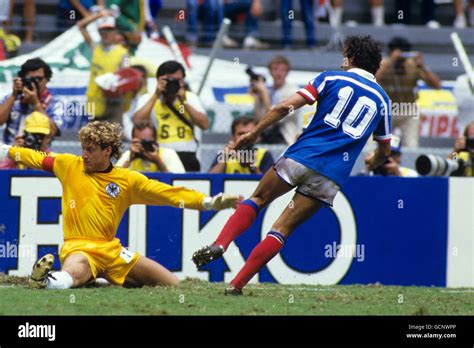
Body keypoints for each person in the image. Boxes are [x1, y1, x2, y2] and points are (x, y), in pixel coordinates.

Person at [192, 35, 392, 295]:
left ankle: (221, 243)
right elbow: (385, 149)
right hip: (331, 176)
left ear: (351, 57)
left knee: (258, 199)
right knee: (282, 229)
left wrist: (254, 133)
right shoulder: (383, 101)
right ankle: (236, 285)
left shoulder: (330, 78)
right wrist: (372, 159)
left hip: (301, 156)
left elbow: (286, 106)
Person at [0, 121, 241, 289]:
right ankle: (44, 281)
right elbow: (36, 158)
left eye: (90, 150)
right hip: (80, 248)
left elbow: (168, 194)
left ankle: (99, 278)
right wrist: (6, 150)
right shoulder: (68, 165)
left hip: (113, 252)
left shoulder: (127, 180)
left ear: (107, 151)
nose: (84, 154)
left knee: (171, 284)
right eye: (83, 148)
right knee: (70, 274)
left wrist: (209, 202)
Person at [133, 60, 209, 172]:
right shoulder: (148, 98)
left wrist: (184, 101)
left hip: (186, 154)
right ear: (159, 80)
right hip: (160, 153)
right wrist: (156, 95)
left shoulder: (190, 98)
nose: (172, 84)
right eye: (169, 80)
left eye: (177, 80)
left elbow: (204, 125)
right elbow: (137, 122)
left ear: (183, 81)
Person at [376, 37, 440, 148]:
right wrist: (391, 60)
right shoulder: (383, 64)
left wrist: (422, 66)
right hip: (385, 110)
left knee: (412, 145)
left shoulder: (413, 65)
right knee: (373, 144)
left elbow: (437, 85)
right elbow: (374, 78)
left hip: (408, 111)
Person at [78, 12, 129, 122]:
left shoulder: (124, 53)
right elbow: (81, 26)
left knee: (113, 135)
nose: (106, 34)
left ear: (115, 32)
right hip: (94, 98)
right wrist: (99, 15)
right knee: (93, 135)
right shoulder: (95, 47)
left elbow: (126, 73)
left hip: (112, 100)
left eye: (109, 31)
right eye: (103, 31)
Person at [0, 58, 63, 145]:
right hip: (11, 151)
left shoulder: (54, 103)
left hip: (38, 154)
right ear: (22, 79)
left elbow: (53, 132)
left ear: (47, 79)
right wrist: (14, 96)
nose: (35, 83)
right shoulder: (12, 98)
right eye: (31, 79)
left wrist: (36, 104)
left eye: (39, 79)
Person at [251, 55, 301, 144]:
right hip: (266, 135)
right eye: (275, 69)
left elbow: (276, 117)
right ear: (270, 72)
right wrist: (257, 98)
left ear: (287, 72)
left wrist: (265, 95)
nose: (278, 73)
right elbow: (259, 119)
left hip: (285, 138)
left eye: (282, 70)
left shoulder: (292, 91)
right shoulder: (268, 91)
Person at [209, 116, 274, 174]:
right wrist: (225, 158)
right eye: (241, 134)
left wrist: (251, 165)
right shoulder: (224, 154)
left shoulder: (264, 154)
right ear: (233, 136)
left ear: (256, 137)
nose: (244, 137)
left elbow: (269, 183)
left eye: (249, 133)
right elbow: (211, 179)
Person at [116, 121, 185, 173]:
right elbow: (113, 179)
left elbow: (178, 182)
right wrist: (129, 160)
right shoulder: (128, 155)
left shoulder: (168, 154)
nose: (143, 147)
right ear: (133, 141)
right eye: (139, 142)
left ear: (155, 140)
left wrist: (158, 162)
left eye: (147, 142)